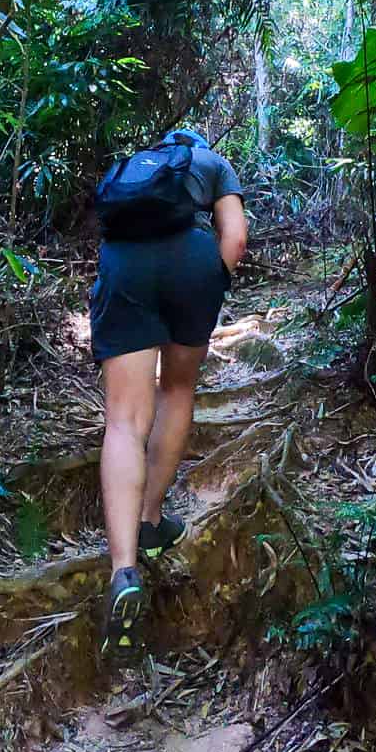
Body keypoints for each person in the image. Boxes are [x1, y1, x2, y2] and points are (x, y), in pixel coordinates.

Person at [89, 129, 248, 659]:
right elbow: (236, 237)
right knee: (177, 389)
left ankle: (123, 570)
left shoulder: (133, 167)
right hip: (191, 266)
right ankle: (151, 518)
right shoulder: (213, 163)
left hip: (125, 267)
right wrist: (212, 278)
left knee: (123, 421)